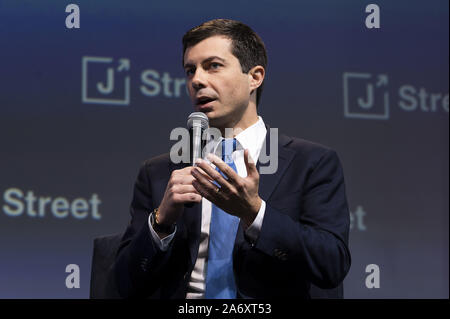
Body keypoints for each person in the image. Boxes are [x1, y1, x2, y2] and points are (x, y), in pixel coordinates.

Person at [114, 18, 351, 299]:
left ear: (255, 76)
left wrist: (255, 212)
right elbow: (124, 284)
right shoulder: (159, 172)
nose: (197, 80)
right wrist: (161, 221)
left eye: (213, 65)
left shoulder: (311, 163)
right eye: (190, 71)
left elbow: (331, 265)